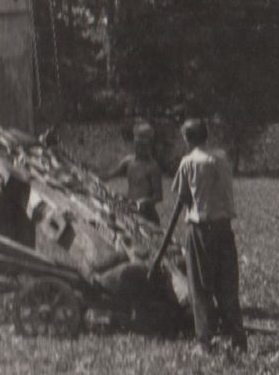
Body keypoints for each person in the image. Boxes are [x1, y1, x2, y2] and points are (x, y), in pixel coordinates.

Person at [172, 118, 247, 355]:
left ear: (188, 138)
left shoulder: (188, 162)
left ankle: (205, 342)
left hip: (201, 229)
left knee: (200, 286)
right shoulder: (223, 157)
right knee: (227, 285)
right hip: (224, 228)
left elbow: (183, 196)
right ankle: (237, 338)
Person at [106, 122, 164, 223]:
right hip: (131, 210)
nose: (141, 149)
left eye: (145, 146)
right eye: (138, 144)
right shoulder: (128, 161)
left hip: (146, 214)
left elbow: (158, 196)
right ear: (134, 143)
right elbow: (110, 175)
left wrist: (144, 201)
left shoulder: (153, 167)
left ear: (150, 146)